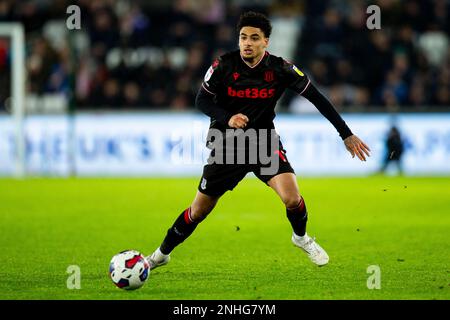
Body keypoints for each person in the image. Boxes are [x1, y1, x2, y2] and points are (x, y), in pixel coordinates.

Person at [146, 11, 370, 268]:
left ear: (266, 42)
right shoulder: (223, 66)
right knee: (198, 211)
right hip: (227, 145)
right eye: (243, 37)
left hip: (264, 142)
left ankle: (301, 238)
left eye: (254, 38)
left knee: (292, 198)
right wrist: (228, 117)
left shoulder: (281, 69)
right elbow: (201, 100)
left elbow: (318, 99)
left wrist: (346, 134)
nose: (247, 43)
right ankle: (160, 254)